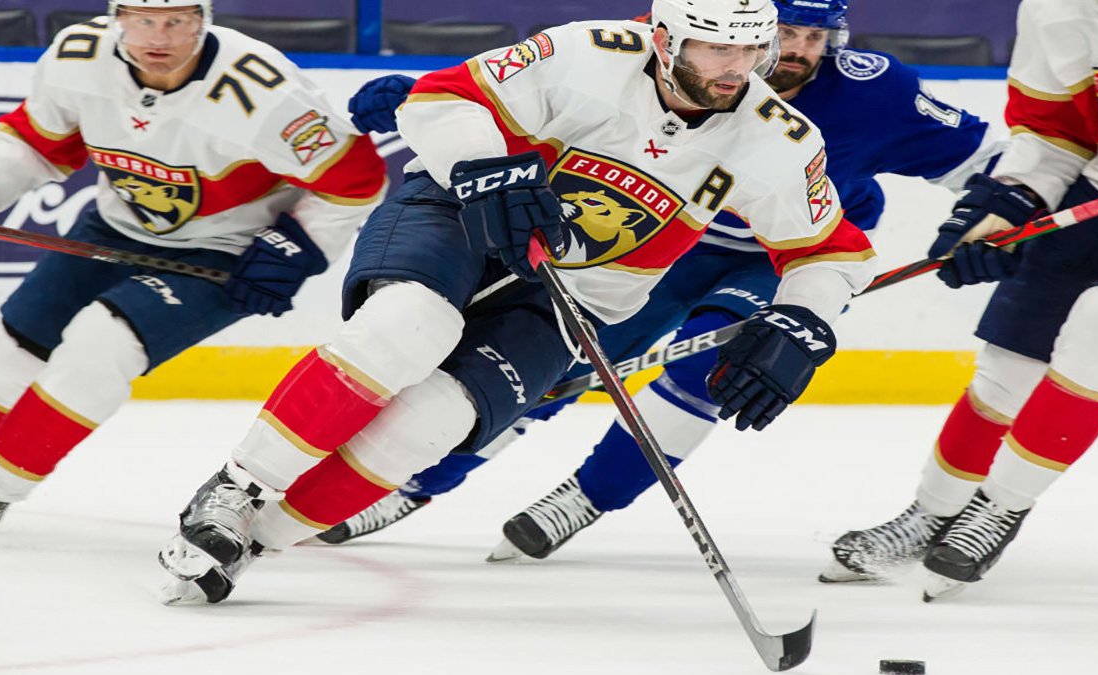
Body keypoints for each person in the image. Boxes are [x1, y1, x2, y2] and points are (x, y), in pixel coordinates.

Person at [157, 0, 878, 604]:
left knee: (436, 420)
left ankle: (252, 542)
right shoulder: (587, 52)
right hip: (461, 212)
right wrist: (486, 169)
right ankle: (234, 486)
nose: (737, 67)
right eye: (716, 48)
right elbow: (445, 94)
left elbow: (827, 250)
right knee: (410, 325)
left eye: (751, 49)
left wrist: (803, 319)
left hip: (581, 292)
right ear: (664, 39)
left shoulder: (779, 138)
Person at [319, 0, 1003, 563]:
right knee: (558, 363)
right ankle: (416, 483)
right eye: (784, 32)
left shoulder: (875, 92)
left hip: (770, 259)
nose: (796, 49)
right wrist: (420, 99)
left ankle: (588, 496)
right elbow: (547, 100)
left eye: (813, 36)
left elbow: (984, 160)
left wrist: (998, 217)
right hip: (656, 247)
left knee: (711, 366)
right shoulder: (669, 60)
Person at [0, 0, 386, 536]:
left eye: (177, 20)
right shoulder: (77, 57)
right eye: (143, 20)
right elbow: (36, 141)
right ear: (117, 18)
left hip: (223, 249)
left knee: (102, 346)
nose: (159, 36)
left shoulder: (264, 92)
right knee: (15, 344)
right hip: (114, 225)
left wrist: (293, 249)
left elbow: (354, 180)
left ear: (204, 20)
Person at [822, 0, 1098, 600]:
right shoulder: (1056, 9)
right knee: (1009, 366)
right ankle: (930, 515)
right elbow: (1054, 132)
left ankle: (1000, 508)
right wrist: (1006, 204)